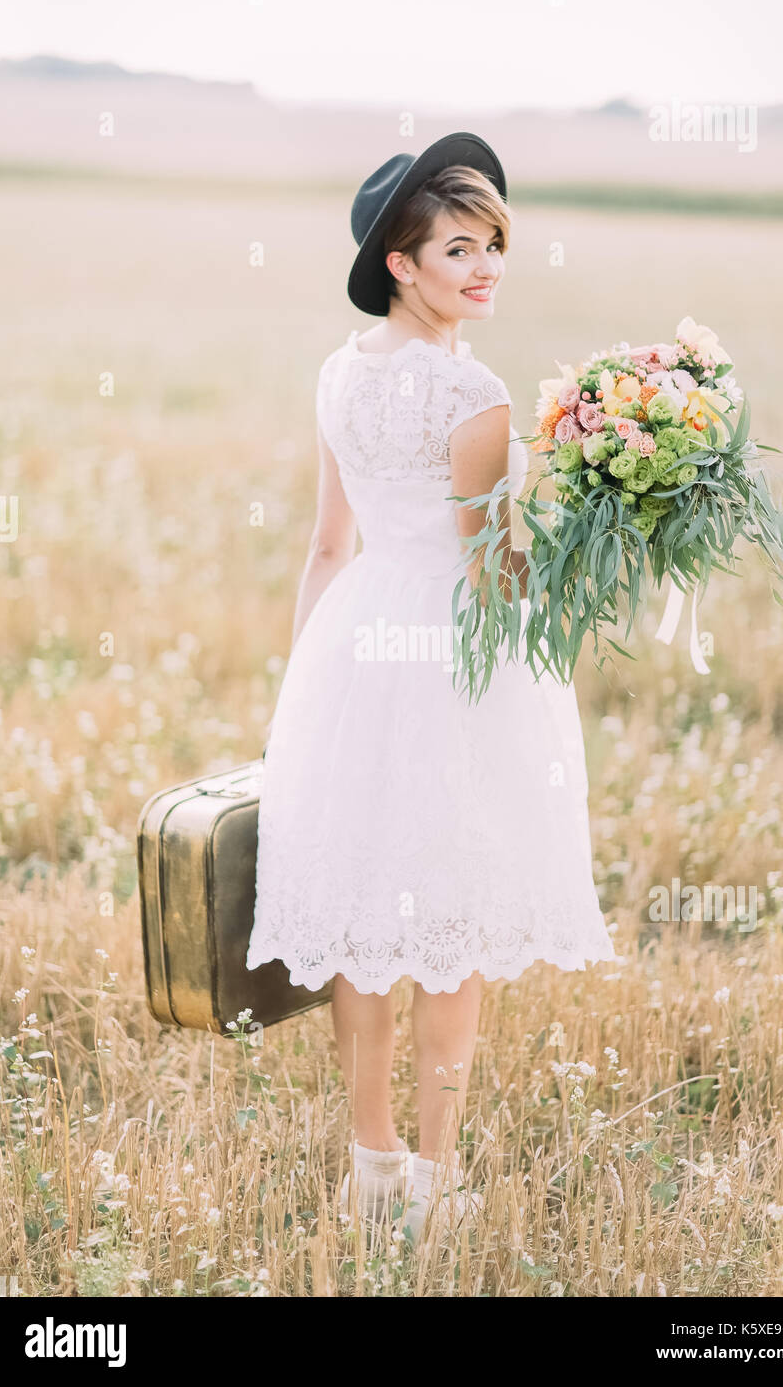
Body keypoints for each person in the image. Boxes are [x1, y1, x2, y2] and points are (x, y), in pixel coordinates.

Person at [245, 132, 617, 1242]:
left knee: (364, 908)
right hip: (455, 656)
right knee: (449, 911)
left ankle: (370, 1164)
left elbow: (324, 546)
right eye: (458, 248)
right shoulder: (472, 390)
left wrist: (299, 698)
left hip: (355, 644)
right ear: (399, 263)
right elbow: (493, 572)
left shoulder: (338, 371)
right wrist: (589, 527)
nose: (485, 267)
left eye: (494, 244)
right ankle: (436, 1181)